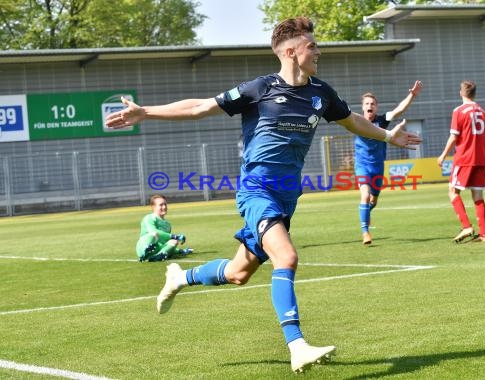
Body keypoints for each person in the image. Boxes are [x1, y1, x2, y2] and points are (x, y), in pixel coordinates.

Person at [105, 16, 421, 374]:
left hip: (288, 196)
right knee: (286, 258)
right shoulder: (260, 88)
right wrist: (145, 112)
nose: (318, 51)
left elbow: (351, 120)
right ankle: (297, 346)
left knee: (239, 272)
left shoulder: (321, 93)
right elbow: (199, 107)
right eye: (311, 46)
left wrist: (387, 136)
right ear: (290, 51)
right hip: (257, 189)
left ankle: (180, 278)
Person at [355, 81, 422, 245]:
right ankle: (365, 232)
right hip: (362, 166)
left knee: (373, 201)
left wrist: (412, 95)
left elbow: (400, 109)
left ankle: (365, 214)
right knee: (364, 196)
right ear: (363, 107)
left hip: (377, 167)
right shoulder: (356, 121)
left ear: (376, 107)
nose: (370, 106)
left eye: (372, 104)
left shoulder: (382, 121)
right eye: (367, 104)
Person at [437, 80, 485, 243]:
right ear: (474, 94)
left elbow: (454, 136)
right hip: (480, 158)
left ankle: (466, 226)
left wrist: (443, 155)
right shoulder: (483, 111)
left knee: (452, 191)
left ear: (461, 93)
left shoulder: (458, 111)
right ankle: (483, 235)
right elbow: (484, 139)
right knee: (478, 196)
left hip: (464, 158)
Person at [136, 194, 193, 262]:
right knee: (154, 234)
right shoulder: (149, 218)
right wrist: (174, 236)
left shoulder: (167, 225)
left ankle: (157, 256)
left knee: (174, 241)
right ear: (153, 207)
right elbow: (153, 231)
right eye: (161, 205)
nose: (164, 207)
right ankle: (145, 252)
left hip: (156, 249)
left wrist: (180, 251)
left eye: (165, 204)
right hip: (142, 246)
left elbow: (164, 243)